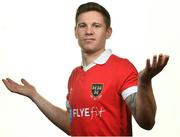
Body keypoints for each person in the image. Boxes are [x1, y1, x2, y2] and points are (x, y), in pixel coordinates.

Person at [2, 2, 169, 136]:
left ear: (108, 32)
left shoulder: (122, 67)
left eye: (96, 26)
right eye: (83, 26)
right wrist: (34, 95)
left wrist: (145, 82)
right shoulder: (74, 76)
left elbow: (146, 122)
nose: (89, 31)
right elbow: (71, 125)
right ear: (76, 32)